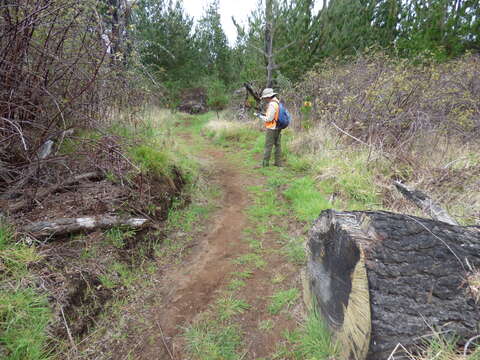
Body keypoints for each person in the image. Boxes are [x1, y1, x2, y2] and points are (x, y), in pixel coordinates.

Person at [256, 88, 282, 167]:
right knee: (277, 145)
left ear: (268, 97)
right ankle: (278, 163)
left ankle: (264, 163)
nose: (265, 99)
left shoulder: (271, 104)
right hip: (278, 126)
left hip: (272, 128)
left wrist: (260, 116)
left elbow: (269, 119)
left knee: (268, 146)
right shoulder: (277, 102)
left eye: (265, 98)